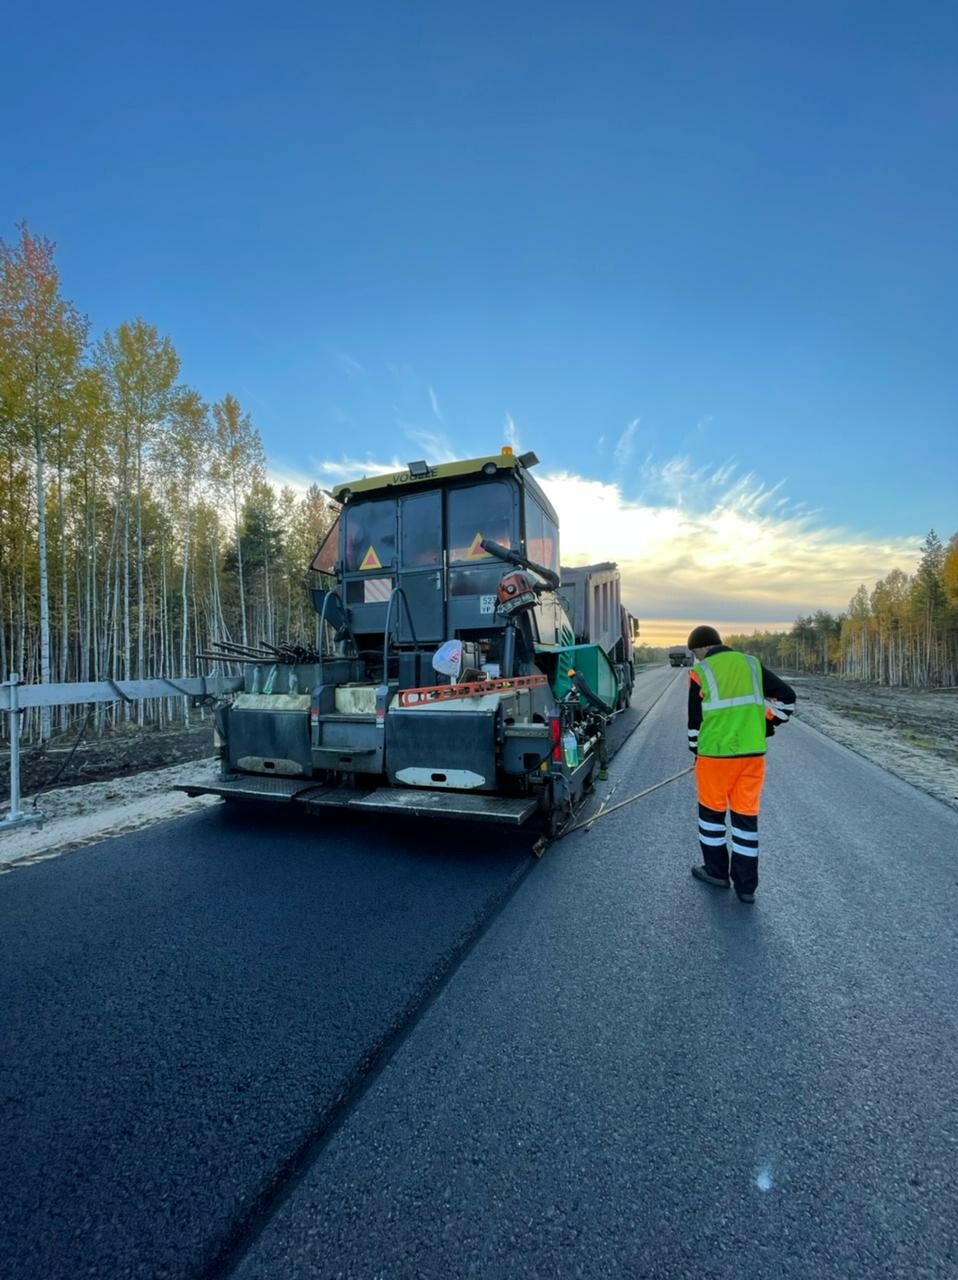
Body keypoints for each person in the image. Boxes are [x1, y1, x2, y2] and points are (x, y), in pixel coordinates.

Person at [686, 625, 796, 903]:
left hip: (714, 759)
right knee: (745, 820)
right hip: (751, 756)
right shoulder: (751, 664)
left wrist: (695, 752)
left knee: (711, 819)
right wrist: (766, 724)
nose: (697, 659)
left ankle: (716, 872)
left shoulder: (702, 672)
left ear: (700, 648)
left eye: (696, 653)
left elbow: (694, 722)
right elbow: (787, 700)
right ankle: (746, 888)